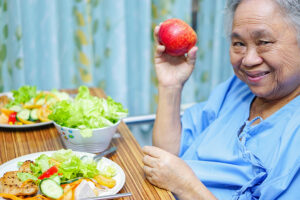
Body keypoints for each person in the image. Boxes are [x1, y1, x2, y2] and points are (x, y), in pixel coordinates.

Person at [142, 0, 300, 199]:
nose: (249, 60)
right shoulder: (236, 89)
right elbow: (168, 155)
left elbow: (174, 176)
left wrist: (187, 187)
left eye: (264, 42)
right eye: (239, 44)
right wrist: (170, 86)